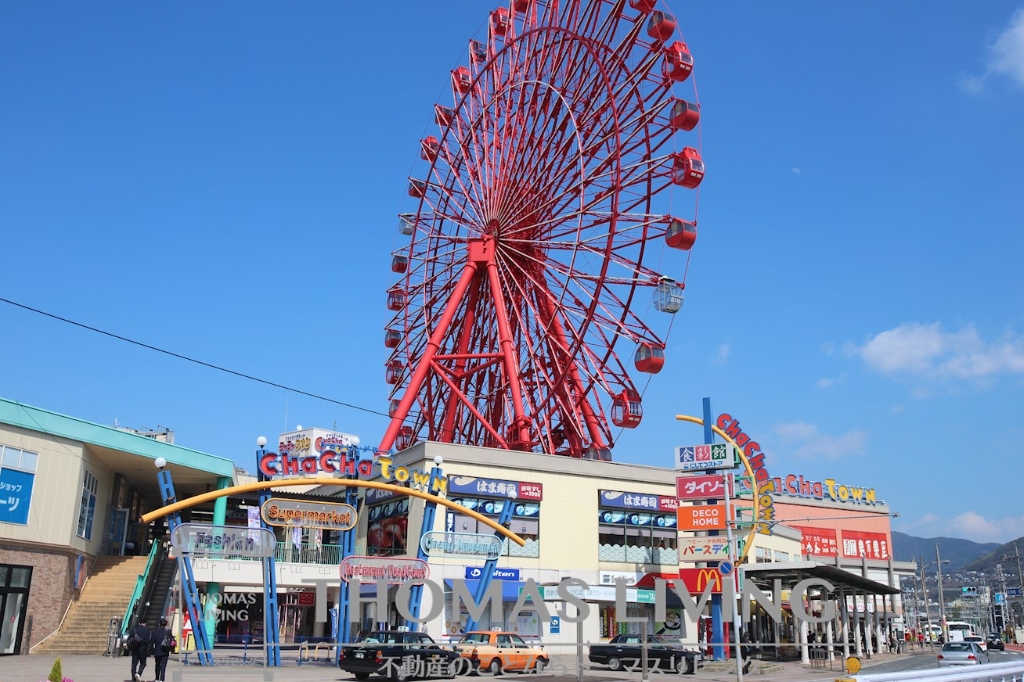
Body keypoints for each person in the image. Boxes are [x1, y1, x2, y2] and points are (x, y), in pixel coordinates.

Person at [128, 617, 151, 682]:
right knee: (143, 663)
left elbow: (130, 638)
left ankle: (133, 678)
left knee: (134, 664)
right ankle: (138, 673)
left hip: (135, 648)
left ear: (139, 623)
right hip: (143, 648)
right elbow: (147, 640)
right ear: (145, 623)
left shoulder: (134, 629)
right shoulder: (147, 630)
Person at [150, 617, 172, 682]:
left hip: (157, 651)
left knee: (157, 665)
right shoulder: (168, 632)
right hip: (165, 651)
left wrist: (151, 652)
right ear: (166, 624)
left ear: (159, 624)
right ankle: (162, 679)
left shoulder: (154, 632)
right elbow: (171, 640)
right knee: (163, 665)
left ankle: (157, 678)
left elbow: (151, 643)